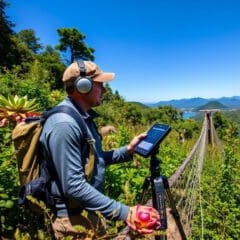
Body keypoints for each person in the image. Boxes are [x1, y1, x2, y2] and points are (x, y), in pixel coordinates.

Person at [39, 59, 160, 239]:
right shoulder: (64, 124)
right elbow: (72, 186)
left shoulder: (81, 118)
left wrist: (128, 149)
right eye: (100, 84)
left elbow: (95, 158)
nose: (104, 90)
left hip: (87, 212)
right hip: (73, 221)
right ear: (83, 86)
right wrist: (125, 212)